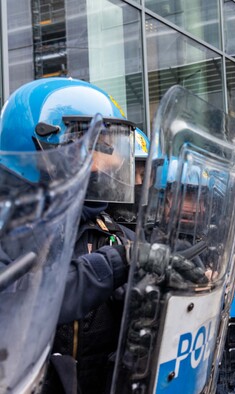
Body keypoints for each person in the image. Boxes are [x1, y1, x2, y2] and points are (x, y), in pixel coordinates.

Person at [11, 78, 140, 394]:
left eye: (107, 147)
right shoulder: (11, 230)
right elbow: (28, 298)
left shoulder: (106, 228)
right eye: (91, 146)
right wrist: (115, 264)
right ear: (43, 149)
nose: (105, 164)